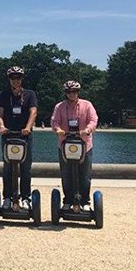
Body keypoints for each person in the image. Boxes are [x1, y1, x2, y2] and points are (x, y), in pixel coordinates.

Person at [50, 80, 99, 211]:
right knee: (66, 174)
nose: (71, 94)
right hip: (65, 145)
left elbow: (93, 120)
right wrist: (58, 129)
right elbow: (54, 121)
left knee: (85, 174)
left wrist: (88, 129)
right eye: (68, 92)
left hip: (84, 144)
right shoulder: (59, 107)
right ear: (65, 93)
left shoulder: (87, 105)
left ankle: (85, 201)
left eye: (74, 91)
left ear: (78, 92)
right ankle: (68, 200)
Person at [0, 66, 38, 210]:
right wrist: (1, 126)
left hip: (24, 136)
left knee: (26, 168)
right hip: (8, 135)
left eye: (18, 77)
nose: (15, 80)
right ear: (9, 79)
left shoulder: (30, 94)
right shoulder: (4, 95)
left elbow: (33, 112)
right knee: (7, 167)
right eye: (13, 78)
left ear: (22, 79)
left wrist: (28, 127)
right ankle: (7, 197)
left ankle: (25, 198)